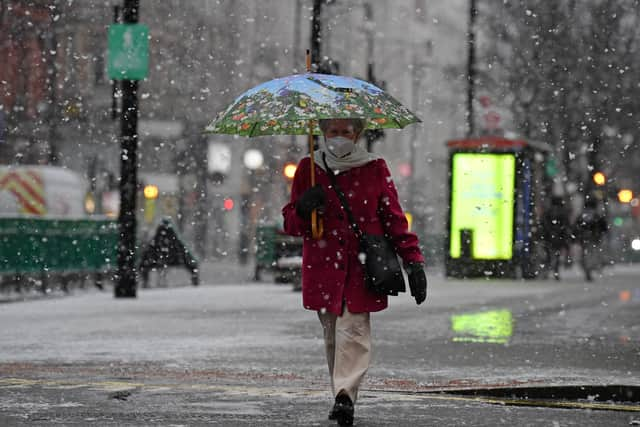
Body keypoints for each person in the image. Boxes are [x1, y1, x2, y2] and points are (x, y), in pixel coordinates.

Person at [282, 118, 427, 426]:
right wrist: (304, 209)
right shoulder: (309, 168)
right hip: (323, 268)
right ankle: (341, 391)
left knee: (354, 329)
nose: (339, 137)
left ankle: (345, 396)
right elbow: (291, 223)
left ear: (358, 134)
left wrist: (412, 261)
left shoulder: (374, 168)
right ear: (322, 132)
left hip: (361, 266)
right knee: (334, 335)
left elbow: (393, 217)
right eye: (332, 131)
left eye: (346, 132)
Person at [574, 197, 608, 281]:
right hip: (594, 238)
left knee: (586, 254)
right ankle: (593, 267)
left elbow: (576, 226)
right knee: (593, 253)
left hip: (584, 238)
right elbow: (604, 226)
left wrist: (577, 236)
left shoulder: (582, 215)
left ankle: (587, 268)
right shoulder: (596, 215)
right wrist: (601, 233)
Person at [542, 196, 571, 280]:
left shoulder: (548, 212)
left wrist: (548, 232)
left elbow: (544, 223)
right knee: (557, 255)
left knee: (549, 255)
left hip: (549, 236)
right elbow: (566, 225)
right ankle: (556, 271)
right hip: (559, 237)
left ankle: (547, 271)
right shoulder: (562, 212)